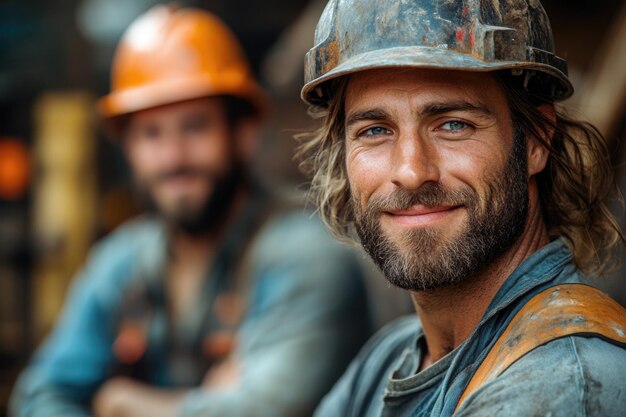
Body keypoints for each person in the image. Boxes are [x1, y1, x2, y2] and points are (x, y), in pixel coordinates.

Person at [11, 5, 372, 417]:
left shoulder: (306, 254)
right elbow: (40, 397)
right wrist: (209, 402)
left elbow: (267, 410)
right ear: (127, 147)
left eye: (196, 126)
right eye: (151, 134)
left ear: (243, 132)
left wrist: (121, 402)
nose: (173, 156)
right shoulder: (120, 263)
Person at [296, 0, 626, 416]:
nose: (412, 171)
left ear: (536, 141)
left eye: (453, 124)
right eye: (375, 130)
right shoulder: (387, 359)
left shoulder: (563, 384)